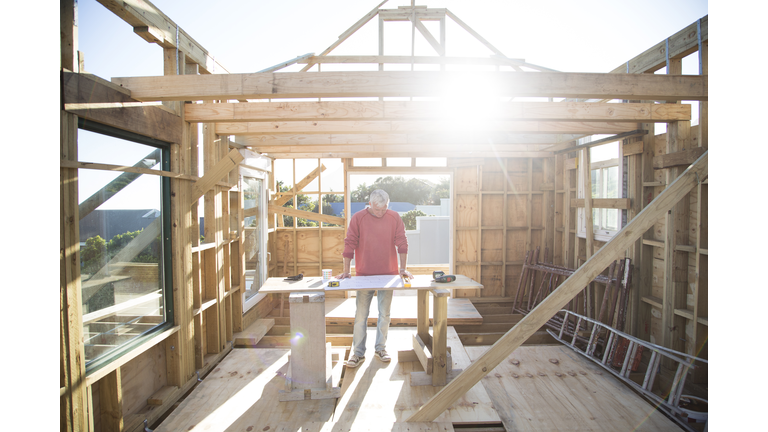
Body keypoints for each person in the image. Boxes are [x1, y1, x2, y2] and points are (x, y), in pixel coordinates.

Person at [336, 189, 412, 368]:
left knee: (384, 314)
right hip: (364, 274)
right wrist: (347, 270)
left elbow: (402, 242)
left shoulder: (394, 217)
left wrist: (403, 269)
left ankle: (381, 348)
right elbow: (350, 243)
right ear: (370, 204)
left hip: (388, 274)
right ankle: (358, 353)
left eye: (385, 208)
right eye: (378, 209)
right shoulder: (358, 218)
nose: (381, 213)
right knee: (361, 315)